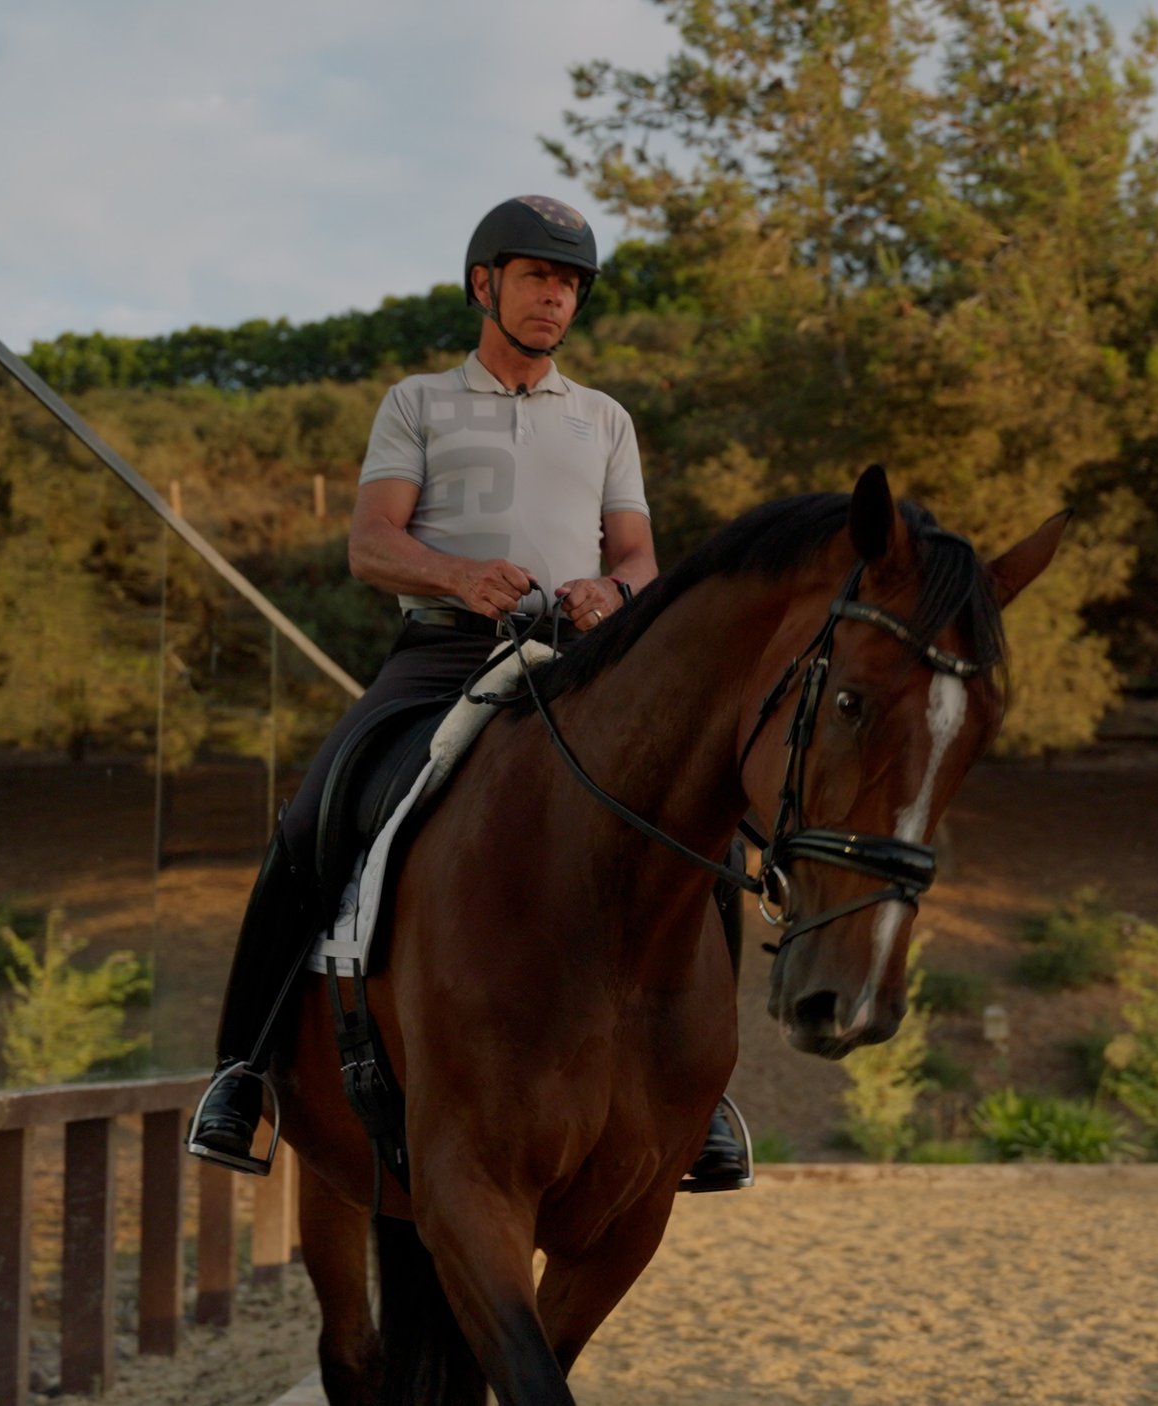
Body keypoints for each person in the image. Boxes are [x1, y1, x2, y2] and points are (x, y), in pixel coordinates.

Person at [189, 195, 753, 1192]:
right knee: (320, 804)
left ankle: (701, 1097)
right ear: (484, 284)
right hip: (445, 652)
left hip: (585, 663)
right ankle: (248, 1070)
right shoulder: (416, 402)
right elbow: (372, 543)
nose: (557, 298)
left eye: (571, 283)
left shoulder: (605, 418)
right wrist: (459, 576)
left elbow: (639, 558)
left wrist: (607, 590)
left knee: (708, 823)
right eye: (539, 276)